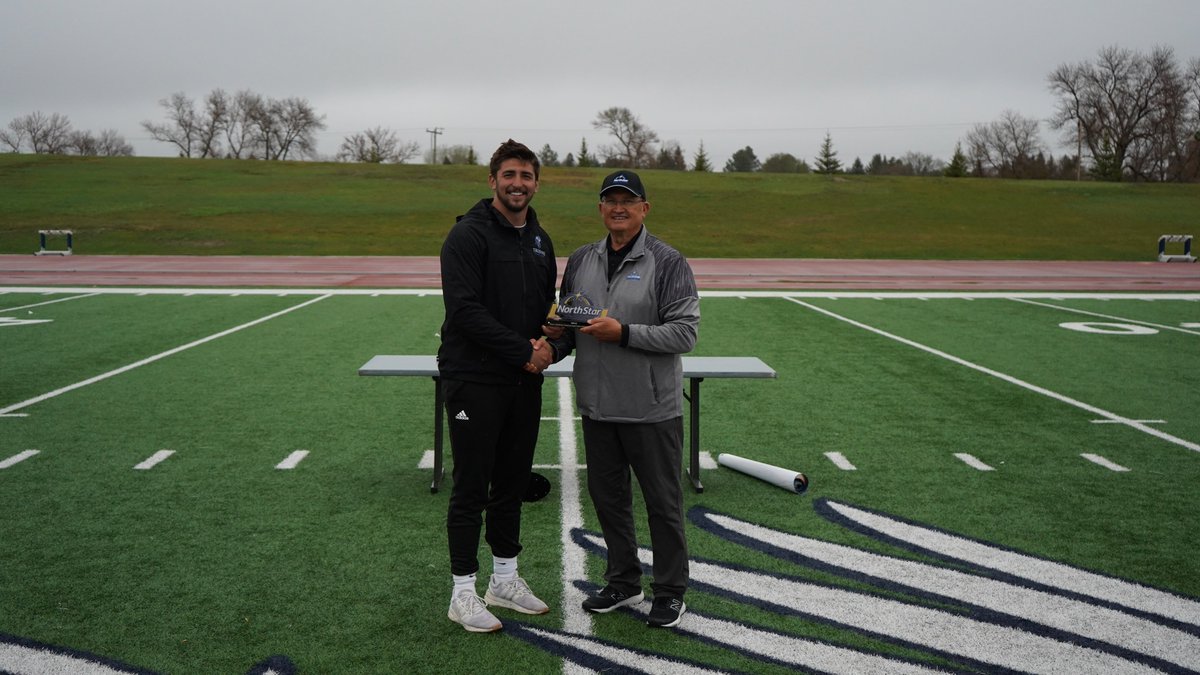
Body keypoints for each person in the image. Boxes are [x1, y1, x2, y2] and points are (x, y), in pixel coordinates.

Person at [545, 170, 700, 628]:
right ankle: (623, 580)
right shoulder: (580, 260)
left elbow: (685, 333)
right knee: (609, 500)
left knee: (662, 503)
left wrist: (625, 333)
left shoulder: (668, 261)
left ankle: (670, 591)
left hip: (651, 408)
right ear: (600, 208)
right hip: (597, 405)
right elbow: (573, 326)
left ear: (644, 209)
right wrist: (549, 344)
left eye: (628, 201)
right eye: (610, 200)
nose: (619, 207)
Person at [437, 139, 557, 633]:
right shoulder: (467, 235)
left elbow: (547, 312)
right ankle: (462, 591)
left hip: (521, 382)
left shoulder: (539, 238)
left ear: (535, 182)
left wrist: (551, 346)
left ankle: (503, 579)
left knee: (511, 481)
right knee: (471, 486)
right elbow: (465, 312)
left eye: (526, 176)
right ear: (493, 180)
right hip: (475, 378)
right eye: (509, 175)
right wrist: (524, 351)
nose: (518, 184)